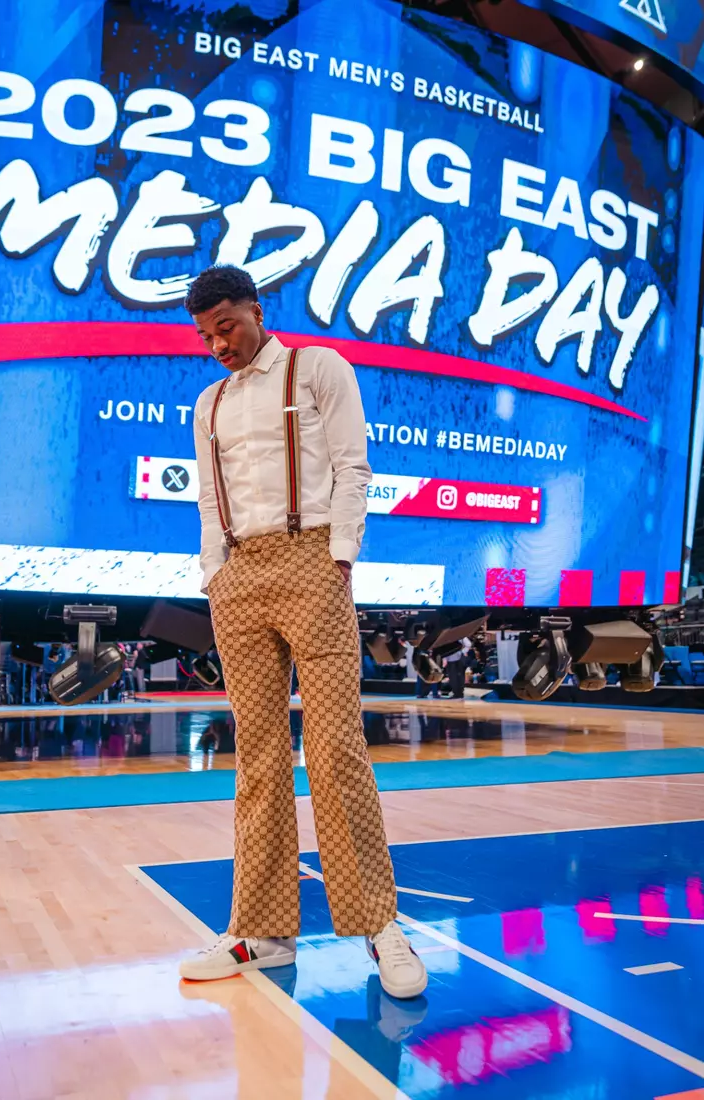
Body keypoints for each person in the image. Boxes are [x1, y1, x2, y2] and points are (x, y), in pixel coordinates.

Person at [178, 265, 426, 1000]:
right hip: (238, 577)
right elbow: (205, 493)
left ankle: (378, 926)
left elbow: (353, 468)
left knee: (335, 748)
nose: (216, 343)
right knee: (255, 757)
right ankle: (263, 932)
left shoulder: (318, 368)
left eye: (225, 326)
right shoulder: (208, 402)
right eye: (203, 334)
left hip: (313, 560)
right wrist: (214, 571)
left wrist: (339, 557)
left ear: (254, 310)